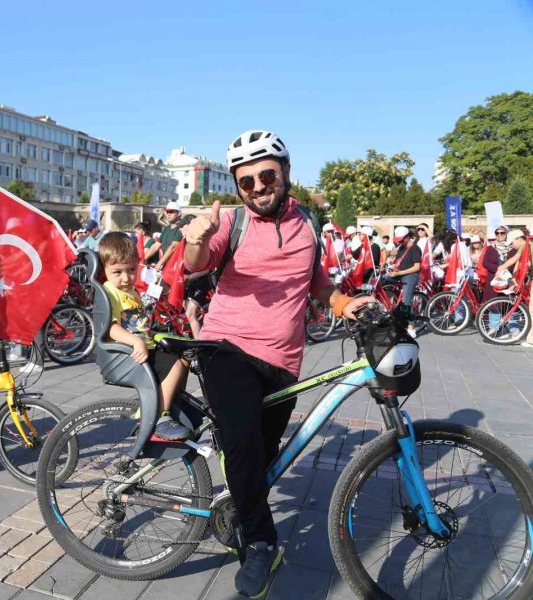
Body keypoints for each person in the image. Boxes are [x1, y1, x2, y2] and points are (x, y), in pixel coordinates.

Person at [184, 130, 368, 598]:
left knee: (261, 460)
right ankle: (261, 543)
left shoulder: (308, 222)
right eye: (247, 182)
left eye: (267, 175)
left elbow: (317, 283)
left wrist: (343, 302)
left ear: (285, 173)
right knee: (244, 444)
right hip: (226, 348)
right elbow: (198, 261)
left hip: (283, 360)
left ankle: (238, 505)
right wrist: (196, 240)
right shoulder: (231, 222)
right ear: (238, 187)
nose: (258, 187)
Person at [98, 232, 191, 441]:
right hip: (127, 352)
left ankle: (166, 404)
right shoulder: (110, 292)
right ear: (105, 270)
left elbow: (134, 322)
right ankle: (160, 418)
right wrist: (136, 340)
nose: (126, 278)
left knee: (185, 357)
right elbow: (110, 327)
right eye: (117, 272)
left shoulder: (131, 292)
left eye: (131, 270)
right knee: (175, 364)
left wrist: (149, 332)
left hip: (142, 344)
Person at [388, 226, 422, 338]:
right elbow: (398, 262)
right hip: (399, 274)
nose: (400, 242)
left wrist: (399, 273)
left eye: (401, 240)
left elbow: (417, 267)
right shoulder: (401, 248)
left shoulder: (415, 249)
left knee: (406, 302)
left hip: (410, 276)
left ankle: (411, 327)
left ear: (407, 237)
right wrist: (391, 267)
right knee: (381, 279)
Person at [146, 201, 183, 271]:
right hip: (166, 265)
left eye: (171, 212)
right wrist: (143, 258)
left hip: (176, 267)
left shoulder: (181, 228)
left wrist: (160, 263)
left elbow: (173, 246)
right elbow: (156, 245)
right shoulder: (167, 228)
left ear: (179, 213)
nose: (168, 214)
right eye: (167, 212)